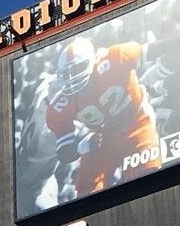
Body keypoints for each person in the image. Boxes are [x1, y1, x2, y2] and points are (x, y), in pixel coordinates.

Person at [46, 36, 159, 198]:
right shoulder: (61, 105)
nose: (72, 79)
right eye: (67, 74)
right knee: (87, 197)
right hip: (101, 138)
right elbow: (64, 152)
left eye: (77, 69)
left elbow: (157, 48)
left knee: (148, 183)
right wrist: (80, 146)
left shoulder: (115, 58)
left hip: (136, 122)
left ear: (92, 62)